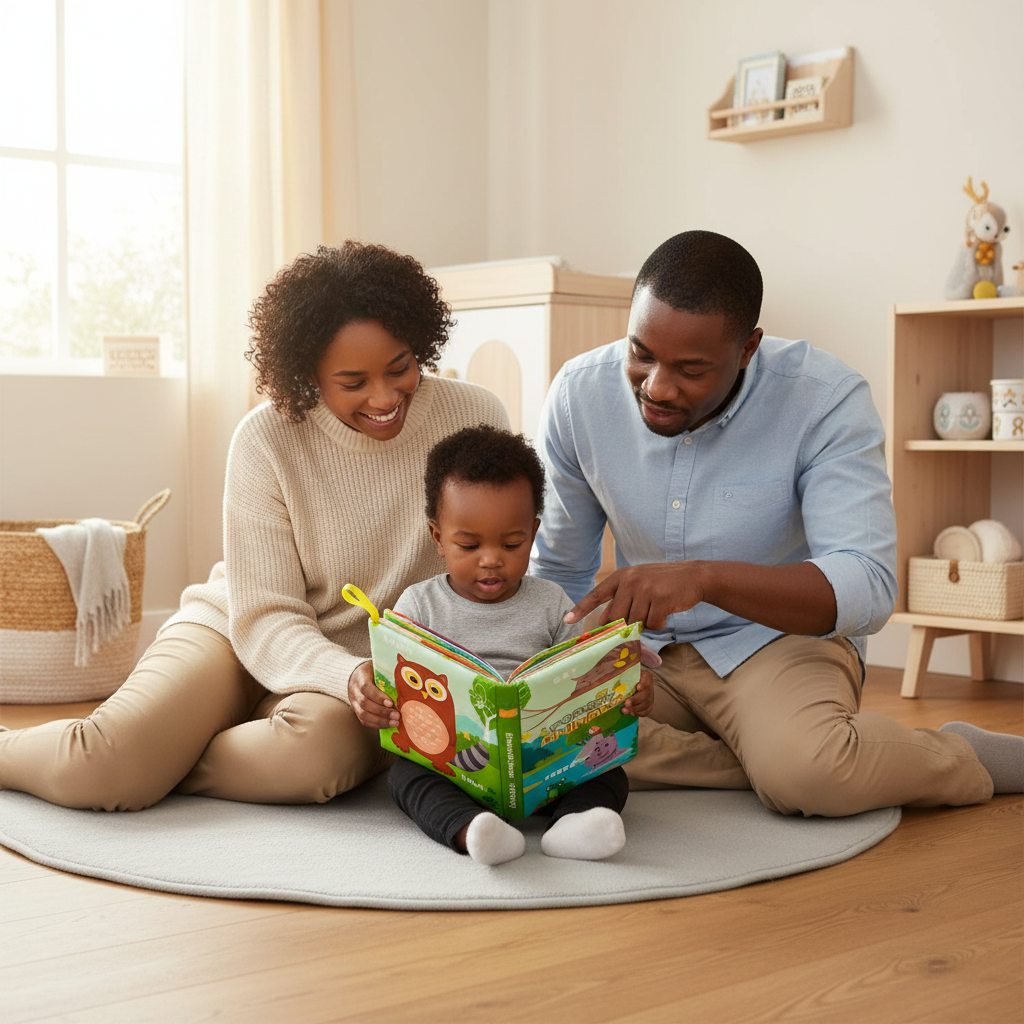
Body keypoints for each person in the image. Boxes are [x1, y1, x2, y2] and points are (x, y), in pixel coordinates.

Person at [530, 229, 1023, 816]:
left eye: (690, 369)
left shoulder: (826, 398)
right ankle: (763, 760)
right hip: (642, 657)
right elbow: (560, 568)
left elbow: (867, 585)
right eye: (641, 353)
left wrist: (704, 580)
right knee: (539, 745)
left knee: (811, 775)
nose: (656, 387)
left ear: (748, 348)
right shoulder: (578, 394)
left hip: (774, 645)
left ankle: (953, 755)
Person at [0, 242, 509, 811]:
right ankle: (102, 755)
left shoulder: (475, 418)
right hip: (239, 627)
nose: (385, 397)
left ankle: (163, 759)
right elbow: (265, 615)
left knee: (317, 758)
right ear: (308, 372)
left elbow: (494, 568)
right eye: (353, 382)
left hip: (366, 679)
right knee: (101, 768)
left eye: (400, 368)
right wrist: (343, 675)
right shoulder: (265, 438)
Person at [347, 425, 654, 864]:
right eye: (468, 545)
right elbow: (395, 680)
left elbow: (590, 677)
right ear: (437, 537)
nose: (491, 559)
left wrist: (628, 691)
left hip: (547, 764)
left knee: (608, 771)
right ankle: (473, 830)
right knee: (406, 779)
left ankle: (575, 825)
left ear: (532, 532)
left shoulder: (552, 603)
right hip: (456, 768)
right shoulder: (419, 604)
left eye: (512, 544)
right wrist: (377, 697)